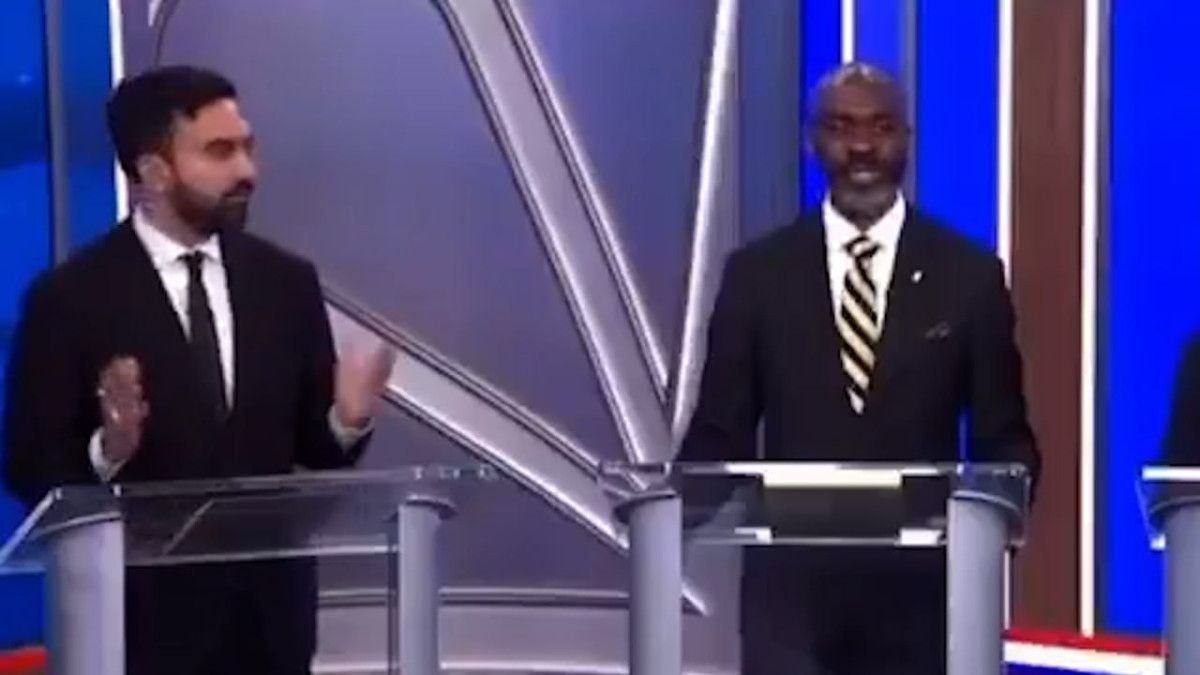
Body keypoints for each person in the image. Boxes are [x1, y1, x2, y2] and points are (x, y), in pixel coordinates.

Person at [2, 65, 395, 675]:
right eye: (220, 152)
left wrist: (348, 419)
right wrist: (109, 450)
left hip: (270, 631)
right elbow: (29, 466)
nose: (247, 171)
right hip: (140, 635)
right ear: (153, 171)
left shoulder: (285, 282)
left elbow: (313, 451)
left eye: (247, 147)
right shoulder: (70, 299)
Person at [677, 62, 1040, 674]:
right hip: (790, 609)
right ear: (812, 141)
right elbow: (720, 432)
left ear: (908, 139)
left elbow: (1004, 439)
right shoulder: (758, 275)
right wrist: (665, 516)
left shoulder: (968, 277)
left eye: (881, 127)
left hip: (920, 607)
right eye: (841, 128)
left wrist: (993, 523)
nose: (863, 147)